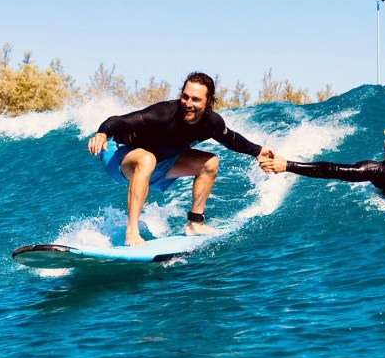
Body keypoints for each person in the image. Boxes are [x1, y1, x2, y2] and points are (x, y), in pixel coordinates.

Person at [88, 72, 271, 245]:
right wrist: (102, 133)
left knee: (209, 163)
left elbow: (231, 139)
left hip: (159, 163)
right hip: (120, 154)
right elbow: (120, 121)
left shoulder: (211, 123)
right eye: (185, 96)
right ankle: (132, 231)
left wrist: (257, 151)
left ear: (209, 101)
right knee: (147, 158)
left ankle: (194, 223)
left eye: (196, 99)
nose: (188, 103)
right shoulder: (163, 113)